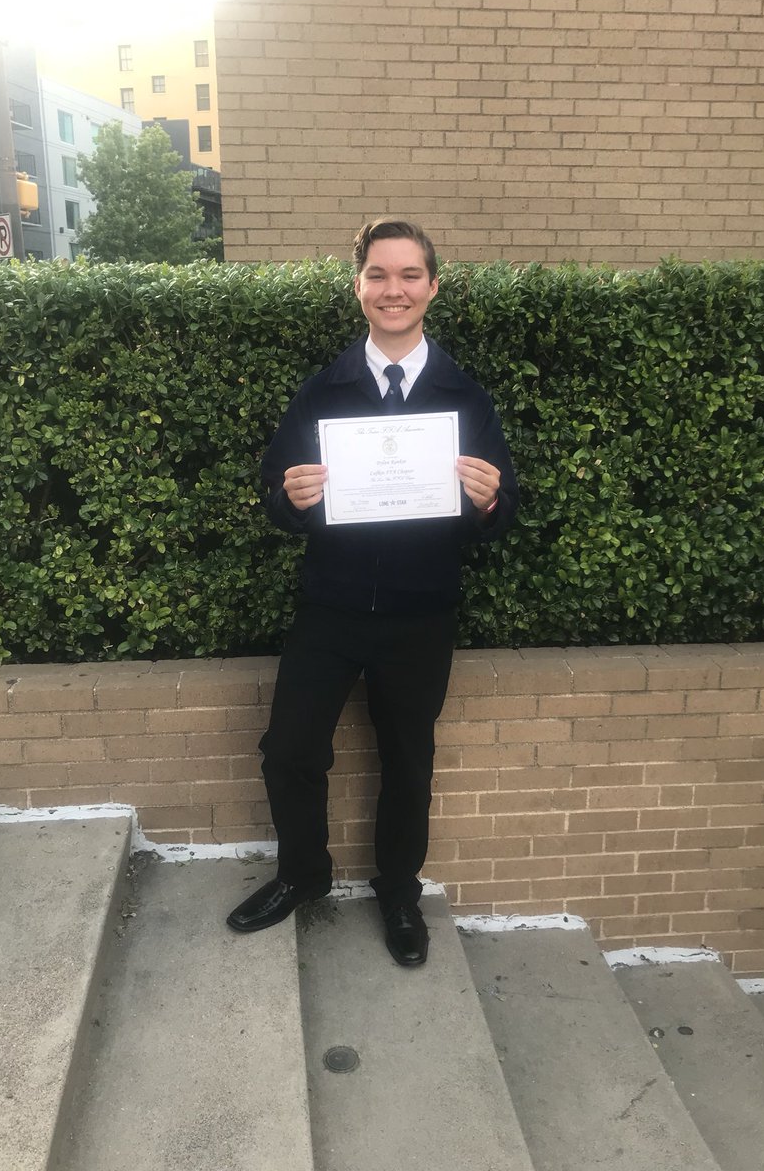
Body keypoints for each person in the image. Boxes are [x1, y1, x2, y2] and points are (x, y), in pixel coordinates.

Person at [227, 218, 518, 966]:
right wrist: (287, 499)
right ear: (358, 284)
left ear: (433, 286)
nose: (394, 290)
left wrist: (489, 500)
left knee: (407, 761)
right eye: (379, 275)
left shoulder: (464, 396)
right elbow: (276, 497)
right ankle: (303, 875)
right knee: (289, 749)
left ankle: (398, 891)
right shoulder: (323, 390)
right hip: (330, 605)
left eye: (409, 275)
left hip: (421, 612)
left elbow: (499, 514)